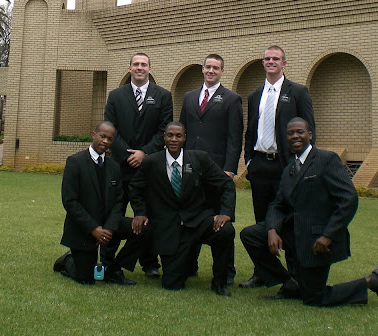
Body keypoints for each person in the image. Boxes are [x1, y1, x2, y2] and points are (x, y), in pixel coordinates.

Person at [240, 118, 378, 306]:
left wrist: (328, 235)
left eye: (300, 132)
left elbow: (348, 199)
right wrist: (272, 229)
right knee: (251, 235)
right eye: (290, 133)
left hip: (317, 241)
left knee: (314, 298)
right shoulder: (289, 170)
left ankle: (372, 281)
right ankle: (289, 282)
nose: (295, 136)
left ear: (310, 135)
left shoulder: (326, 160)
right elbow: (277, 205)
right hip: (294, 234)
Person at [240, 44, 315, 289]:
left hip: (287, 166)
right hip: (260, 166)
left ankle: (294, 275)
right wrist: (249, 160)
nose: (271, 62)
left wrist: (303, 165)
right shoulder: (255, 95)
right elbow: (250, 131)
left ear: (284, 64)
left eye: (276, 58)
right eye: (267, 58)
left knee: (290, 220)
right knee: (262, 222)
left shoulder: (298, 92)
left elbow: (310, 130)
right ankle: (264, 273)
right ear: (263, 63)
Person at [130, 122, 236, 296]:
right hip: (170, 228)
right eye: (170, 135)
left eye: (178, 136)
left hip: (198, 221)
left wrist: (225, 213)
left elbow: (226, 184)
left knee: (225, 230)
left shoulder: (200, 159)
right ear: (164, 138)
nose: (174, 139)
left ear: (184, 138)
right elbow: (135, 188)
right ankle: (185, 264)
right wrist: (140, 213)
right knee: (172, 284)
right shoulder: (151, 162)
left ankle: (220, 282)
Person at [103, 52, 173, 278]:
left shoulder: (163, 96)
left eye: (144, 64)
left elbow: (164, 130)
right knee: (114, 214)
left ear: (150, 68)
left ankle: (150, 263)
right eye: (136, 64)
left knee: (148, 216)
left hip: (149, 169)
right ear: (130, 68)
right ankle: (107, 261)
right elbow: (110, 129)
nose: (140, 68)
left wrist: (145, 153)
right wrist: (127, 155)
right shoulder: (116, 96)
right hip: (120, 168)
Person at [53, 121, 148, 285]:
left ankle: (114, 269)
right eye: (102, 136)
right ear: (93, 135)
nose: (105, 141)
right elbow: (70, 201)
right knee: (86, 279)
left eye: (110, 139)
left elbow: (118, 201)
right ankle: (67, 260)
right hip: (84, 228)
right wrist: (93, 229)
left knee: (144, 229)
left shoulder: (114, 166)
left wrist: (109, 228)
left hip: (108, 224)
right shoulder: (75, 162)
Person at [179, 53, 243, 283]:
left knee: (221, 222)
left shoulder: (232, 99)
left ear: (222, 71)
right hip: (190, 169)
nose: (211, 71)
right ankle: (189, 265)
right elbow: (181, 132)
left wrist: (229, 169)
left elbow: (235, 138)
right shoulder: (189, 97)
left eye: (216, 68)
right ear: (202, 69)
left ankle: (226, 271)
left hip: (217, 171)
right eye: (208, 67)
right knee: (190, 217)